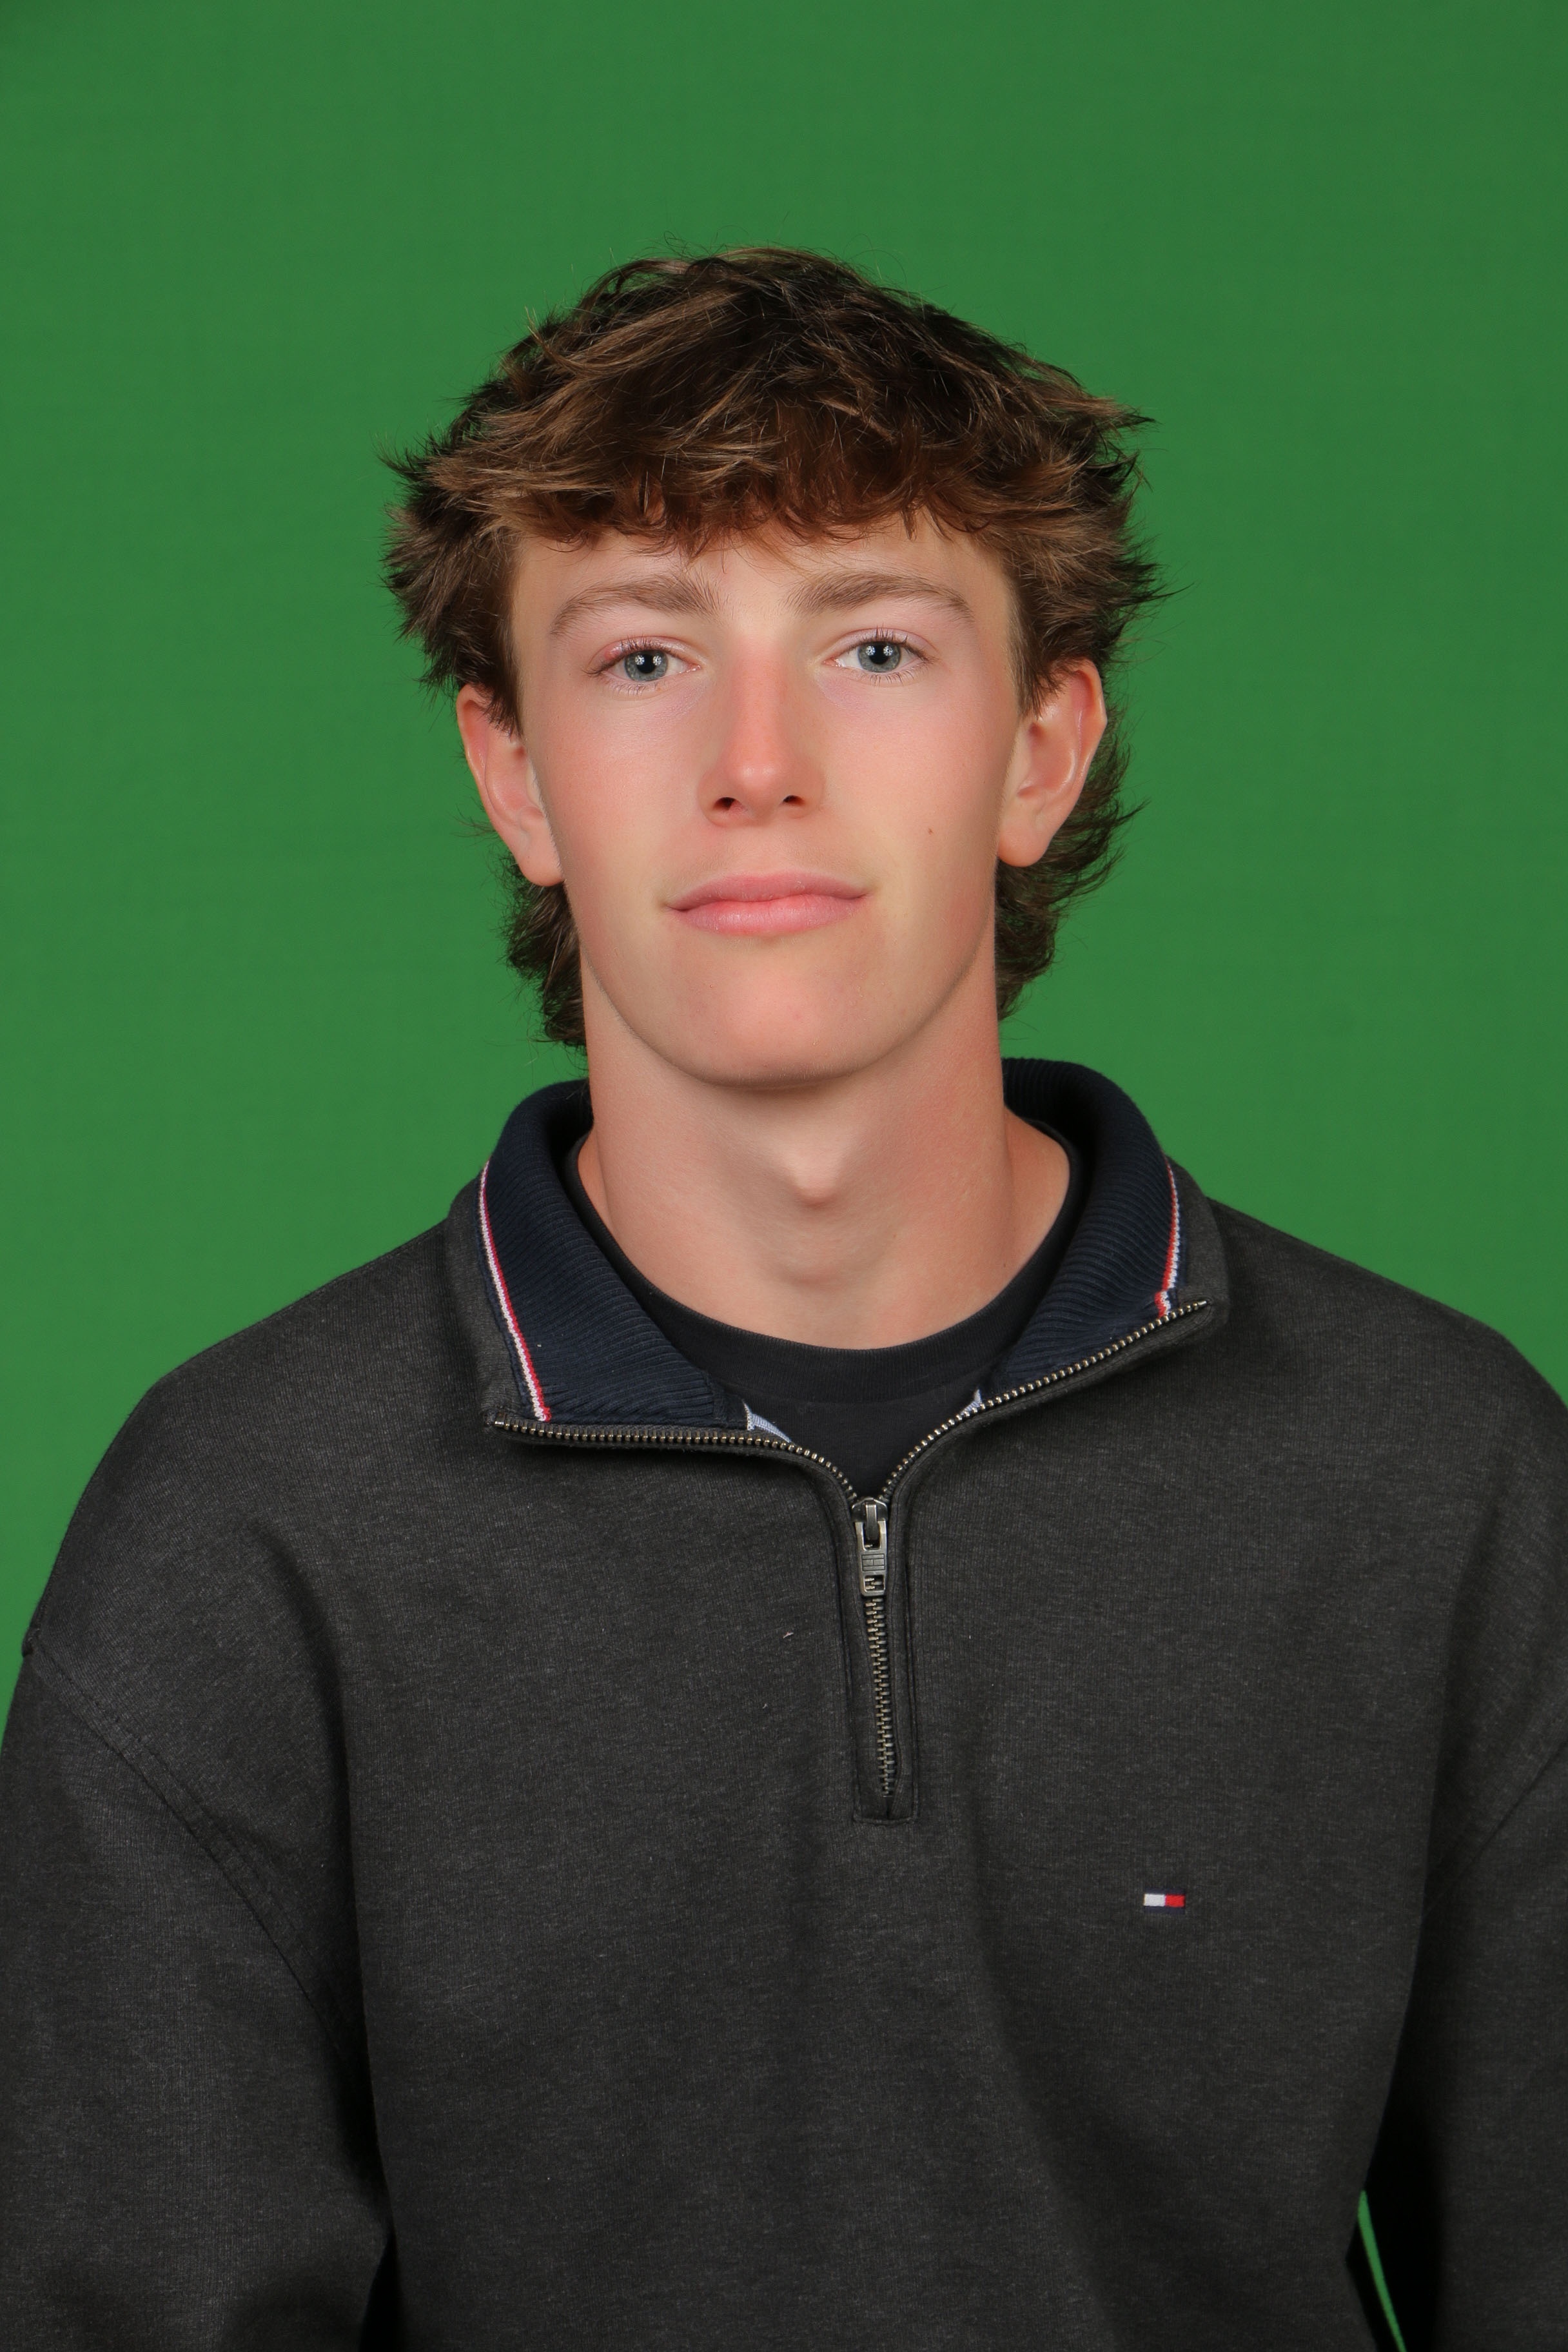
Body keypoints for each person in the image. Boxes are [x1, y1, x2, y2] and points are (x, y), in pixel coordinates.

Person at [1, 249, 1563, 2352]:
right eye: (645, 657)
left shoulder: (1443, 1482)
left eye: (876, 648)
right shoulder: (243, 1531)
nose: (758, 762)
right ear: (516, 777)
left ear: (1041, 750)